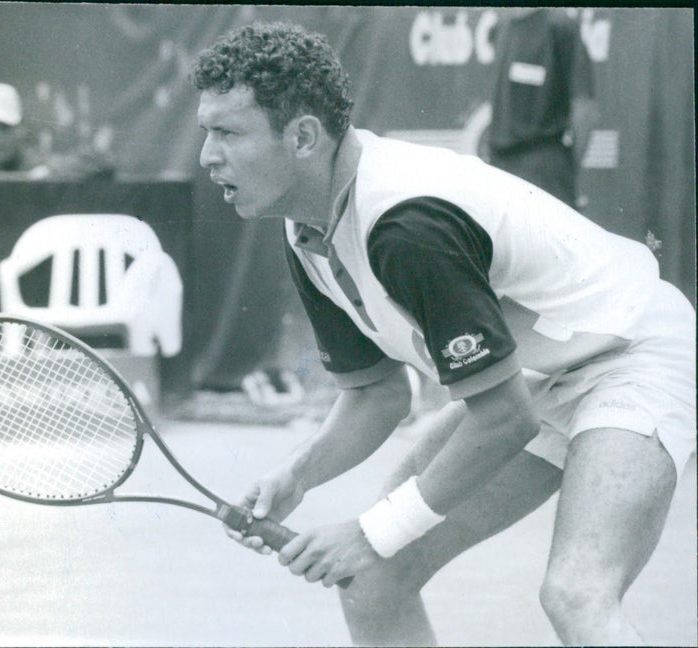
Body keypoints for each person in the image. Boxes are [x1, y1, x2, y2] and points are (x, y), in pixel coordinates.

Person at [191, 22, 695, 647]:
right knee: (374, 579)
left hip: (634, 352)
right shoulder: (305, 229)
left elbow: (505, 419)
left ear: (302, 137)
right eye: (205, 131)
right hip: (538, 376)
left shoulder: (407, 223)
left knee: (577, 594)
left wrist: (372, 530)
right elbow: (379, 395)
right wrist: (296, 478)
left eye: (228, 133)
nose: (207, 155)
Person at [486, 8, 599, 209]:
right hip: (499, 168)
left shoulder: (560, 26)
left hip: (543, 167)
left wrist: (563, 168)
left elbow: (584, 108)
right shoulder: (503, 26)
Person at [0, 82, 114, 179]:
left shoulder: (37, 164)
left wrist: (50, 172)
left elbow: (102, 163)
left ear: (19, 129)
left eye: (4, 128)